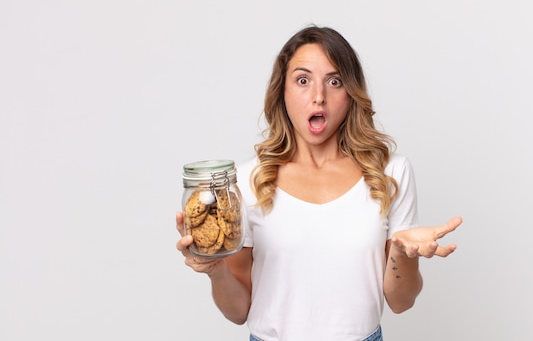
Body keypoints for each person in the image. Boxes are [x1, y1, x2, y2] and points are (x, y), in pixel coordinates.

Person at [175, 25, 462, 341]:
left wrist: (402, 255)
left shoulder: (390, 173)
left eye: (334, 81)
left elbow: (401, 301)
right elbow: (239, 310)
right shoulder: (245, 181)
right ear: (281, 92)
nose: (318, 97)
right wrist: (218, 273)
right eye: (302, 80)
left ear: (351, 93)